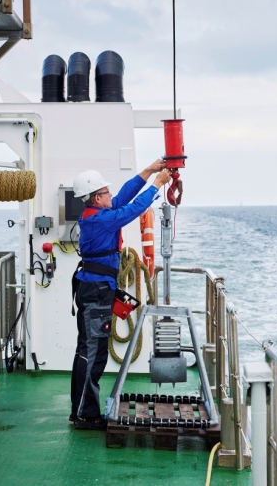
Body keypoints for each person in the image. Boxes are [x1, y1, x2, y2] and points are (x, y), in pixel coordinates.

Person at [70, 160, 171, 430]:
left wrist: (148, 172)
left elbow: (125, 196)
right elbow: (131, 210)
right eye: (105, 192)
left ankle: (82, 409)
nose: (110, 196)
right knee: (92, 353)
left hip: (96, 289)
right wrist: (157, 186)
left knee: (90, 351)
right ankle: (85, 414)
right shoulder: (100, 220)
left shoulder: (98, 213)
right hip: (95, 292)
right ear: (95, 197)